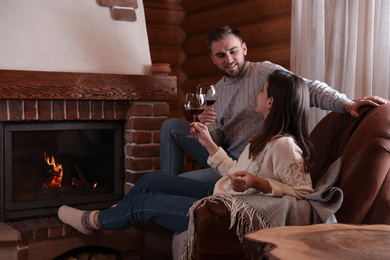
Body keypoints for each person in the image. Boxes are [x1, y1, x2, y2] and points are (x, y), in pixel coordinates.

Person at [58, 69, 314, 235]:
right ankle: (118, 214)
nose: (258, 94)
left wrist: (260, 183)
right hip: (218, 196)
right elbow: (237, 172)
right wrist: (208, 143)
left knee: (147, 202)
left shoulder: (284, 145)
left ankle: (93, 222)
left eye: (262, 90)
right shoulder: (266, 138)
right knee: (151, 180)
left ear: (270, 102)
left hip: (221, 217)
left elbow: (304, 197)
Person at [160, 25, 387, 183]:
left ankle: (168, 190)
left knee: (174, 182)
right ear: (212, 58)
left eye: (233, 51)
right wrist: (206, 127)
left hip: (251, 165)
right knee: (170, 126)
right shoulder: (216, 90)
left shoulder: (264, 72)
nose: (228, 60)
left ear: (244, 49)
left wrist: (346, 104)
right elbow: (219, 139)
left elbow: (307, 88)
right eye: (221, 55)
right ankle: (169, 188)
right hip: (224, 155)